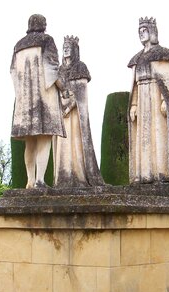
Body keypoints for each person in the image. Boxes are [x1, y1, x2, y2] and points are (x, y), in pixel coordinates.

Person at [127, 17, 169, 184]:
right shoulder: (137, 59)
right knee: (143, 137)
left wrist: (165, 100)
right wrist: (133, 104)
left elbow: (167, 82)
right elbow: (134, 85)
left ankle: (161, 173)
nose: (141, 34)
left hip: (155, 97)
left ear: (152, 32)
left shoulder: (162, 54)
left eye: (144, 31)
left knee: (158, 133)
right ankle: (144, 174)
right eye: (139, 31)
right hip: (142, 98)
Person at [11, 14, 65, 189]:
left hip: (24, 100)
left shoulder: (18, 46)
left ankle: (30, 180)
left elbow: (12, 71)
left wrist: (21, 93)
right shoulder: (46, 40)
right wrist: (63, 87)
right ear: (43, 25)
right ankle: (40, 180)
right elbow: (52, 68)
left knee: (30, 141)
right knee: (45, 137)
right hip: (44, 96)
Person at [53, 36, 106, 187]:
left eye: (68, 47)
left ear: (75, 50)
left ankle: (77, 176)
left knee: (75, 143)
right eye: (64, 47)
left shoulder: (80, 68)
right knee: (62, 146)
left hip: (74, 115)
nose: (66, 50)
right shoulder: (60, 70)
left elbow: (81, 96)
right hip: (61, 115)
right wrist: (60, 108)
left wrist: (69, 108)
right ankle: (63, 178)